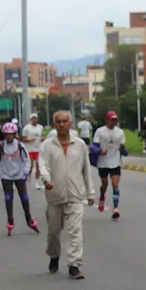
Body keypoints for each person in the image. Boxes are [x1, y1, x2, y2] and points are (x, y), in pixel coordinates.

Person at [39, 111, 95, 279]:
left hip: (76, 195)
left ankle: (74, 264)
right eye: (58, 122)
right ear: (54, 124)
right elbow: (43, 165)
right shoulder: (47, 145)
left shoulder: (79, 145)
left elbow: (86, 170)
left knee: (75, 230)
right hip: (54, 195)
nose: (62, 124)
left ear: (71, 124)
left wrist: (90, 192)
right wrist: (46, 180)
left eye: (65, 121)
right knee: (53, 231)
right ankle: (54, 255)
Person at [0, 122, 39, 236]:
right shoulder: (1, 145)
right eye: (7, 134)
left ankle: (29, 219)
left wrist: (25, 172)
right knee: (8, 197)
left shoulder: (19, 145)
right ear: (4, 134)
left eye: (11, 134)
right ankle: (10, 219)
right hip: (6, 175)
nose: (9, 136)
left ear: (15, 134)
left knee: (24, 197)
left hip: (19, 174)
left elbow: (26, 160)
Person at [93, 111, 127, 219]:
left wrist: (123, 149)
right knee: (105, 184)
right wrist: (99, 150)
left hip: (115, 161)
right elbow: (94, 146)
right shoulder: (100, 131)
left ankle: (116, 208)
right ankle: (102, 196)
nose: (114, 122)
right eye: (112, 120)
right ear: (107, 120)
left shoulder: (120, 132)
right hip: (103, 162)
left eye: (115, 120)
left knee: (115, 184)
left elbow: (122, 146)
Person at [22, 113, 44, 190]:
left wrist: (42, 139)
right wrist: (29, 139)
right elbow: (23, 139)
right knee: (30, 167)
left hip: (38, 149)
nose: (34, 120)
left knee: (38, 166)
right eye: (33, 118)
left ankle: (37, 183)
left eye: (35, 118)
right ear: (30, 119)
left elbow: (43, 136)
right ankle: (28, 180)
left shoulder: (40, 127)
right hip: (29, 149)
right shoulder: (27, 128)